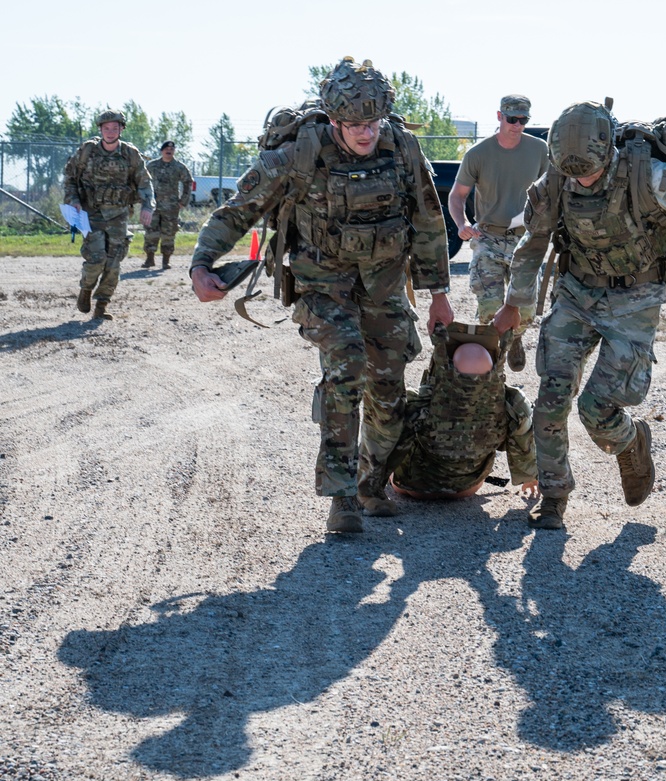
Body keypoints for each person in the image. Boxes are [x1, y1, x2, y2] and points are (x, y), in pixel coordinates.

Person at [189, 56, 454, 534]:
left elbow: (430, 221)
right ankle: (341, 496)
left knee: (389, 391)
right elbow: (238, 209)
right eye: (354, 124)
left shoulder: (402, 146)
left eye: (373, 122)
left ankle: (372, 483)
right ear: (334, 119)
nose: (366, 133)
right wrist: (201, 263)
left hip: (385, 283)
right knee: (347, 368)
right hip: (323, 282)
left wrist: (437, 292)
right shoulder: (299, 153)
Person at [493, 101, 666, 530]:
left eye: (590, 172)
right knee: (551, 399)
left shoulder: (653, 178)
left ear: (609, 155)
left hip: (636, 297)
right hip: (576, 291)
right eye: (573, 172)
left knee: (596, 409)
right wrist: (514, 304)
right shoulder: (557, 180)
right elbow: (534, 241)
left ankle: (632, 442)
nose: (581, 179)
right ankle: (554, 496)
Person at [447, 94, 548, 371]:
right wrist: (462, 224)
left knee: (525, 311)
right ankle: (495, 365)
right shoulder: (478, 154)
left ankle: (515, 338)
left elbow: (550, 192)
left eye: (522, 120)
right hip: (487, 238)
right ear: (499, 116)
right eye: (511, 119)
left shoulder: (539, 150)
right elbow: (457, 196)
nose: (516, 125)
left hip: (524, 239)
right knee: (490, 309)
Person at [387, 322, 538, 500]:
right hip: (468, 486)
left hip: (414, 487)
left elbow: (387, 439)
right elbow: (523, 440)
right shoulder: (509, 403)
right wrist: (530, 477)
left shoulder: (421, 400)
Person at [63, 109, 154, 320]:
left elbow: (144, 183)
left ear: (122, 129)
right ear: (100, 130)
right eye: (106, 128)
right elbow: (69, 178)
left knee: (113, 263)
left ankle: (102, 305)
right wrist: (73, 200)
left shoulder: (130, 154)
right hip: (91, 214)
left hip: (119, 216)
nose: (110, 132)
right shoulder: (87, 151)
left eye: (115, 128)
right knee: (96, 258)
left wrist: (148, 207)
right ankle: (85, 290)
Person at [142, 141, 192, 269]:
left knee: (169, 233)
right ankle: (149, 259)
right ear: (161, 151)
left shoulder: (179, 167)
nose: (169, 151)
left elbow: (188, 182)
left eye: (171, 149)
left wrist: (183, 201)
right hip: (153, 205)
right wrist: (144, 198)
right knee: (151, 232)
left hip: (171, 207)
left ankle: (166, 261)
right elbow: (142, 181)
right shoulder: (152, 165)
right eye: (166, 149)